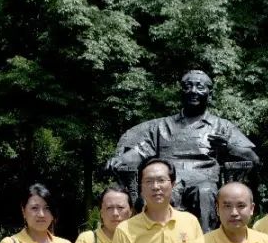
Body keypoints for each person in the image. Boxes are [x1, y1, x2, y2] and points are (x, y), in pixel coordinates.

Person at [106, 70, 259, 231]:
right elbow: (140, 152)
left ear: (210, 93)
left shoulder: (222, 126)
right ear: (181, 92)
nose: (193, 91)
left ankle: (206, 242)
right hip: (169, 180)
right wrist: (120, 160)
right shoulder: (161, 126)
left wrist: (229, 147)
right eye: (188, 86)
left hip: (204, 180)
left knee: (205, 193)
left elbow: (253, 158)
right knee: (153, 195)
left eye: (199, 87)